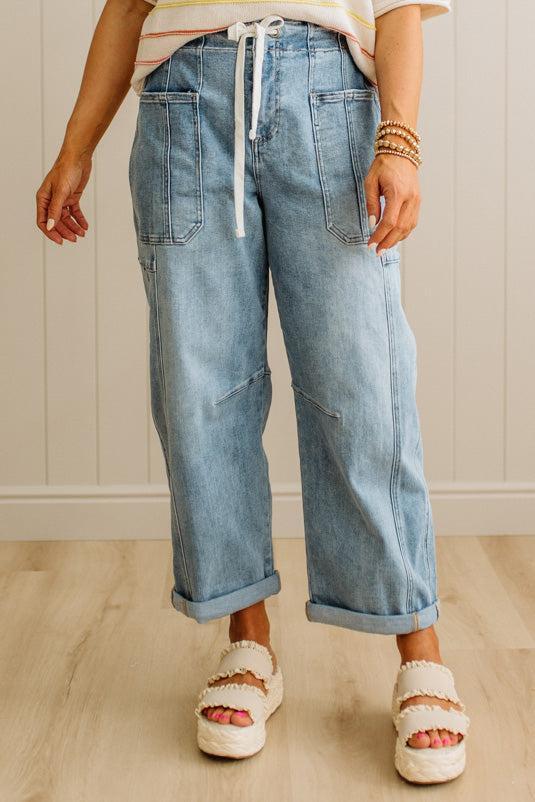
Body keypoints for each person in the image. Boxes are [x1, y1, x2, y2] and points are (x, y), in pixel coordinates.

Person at [35, 0, 470, 785]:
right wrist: (76, 149)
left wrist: (399, 141)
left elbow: (398, 6)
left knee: (364, 386)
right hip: (182, 107)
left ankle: (418, 650)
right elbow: (128, 6)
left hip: (329, 101)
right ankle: (247, 643)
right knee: (203, 395)